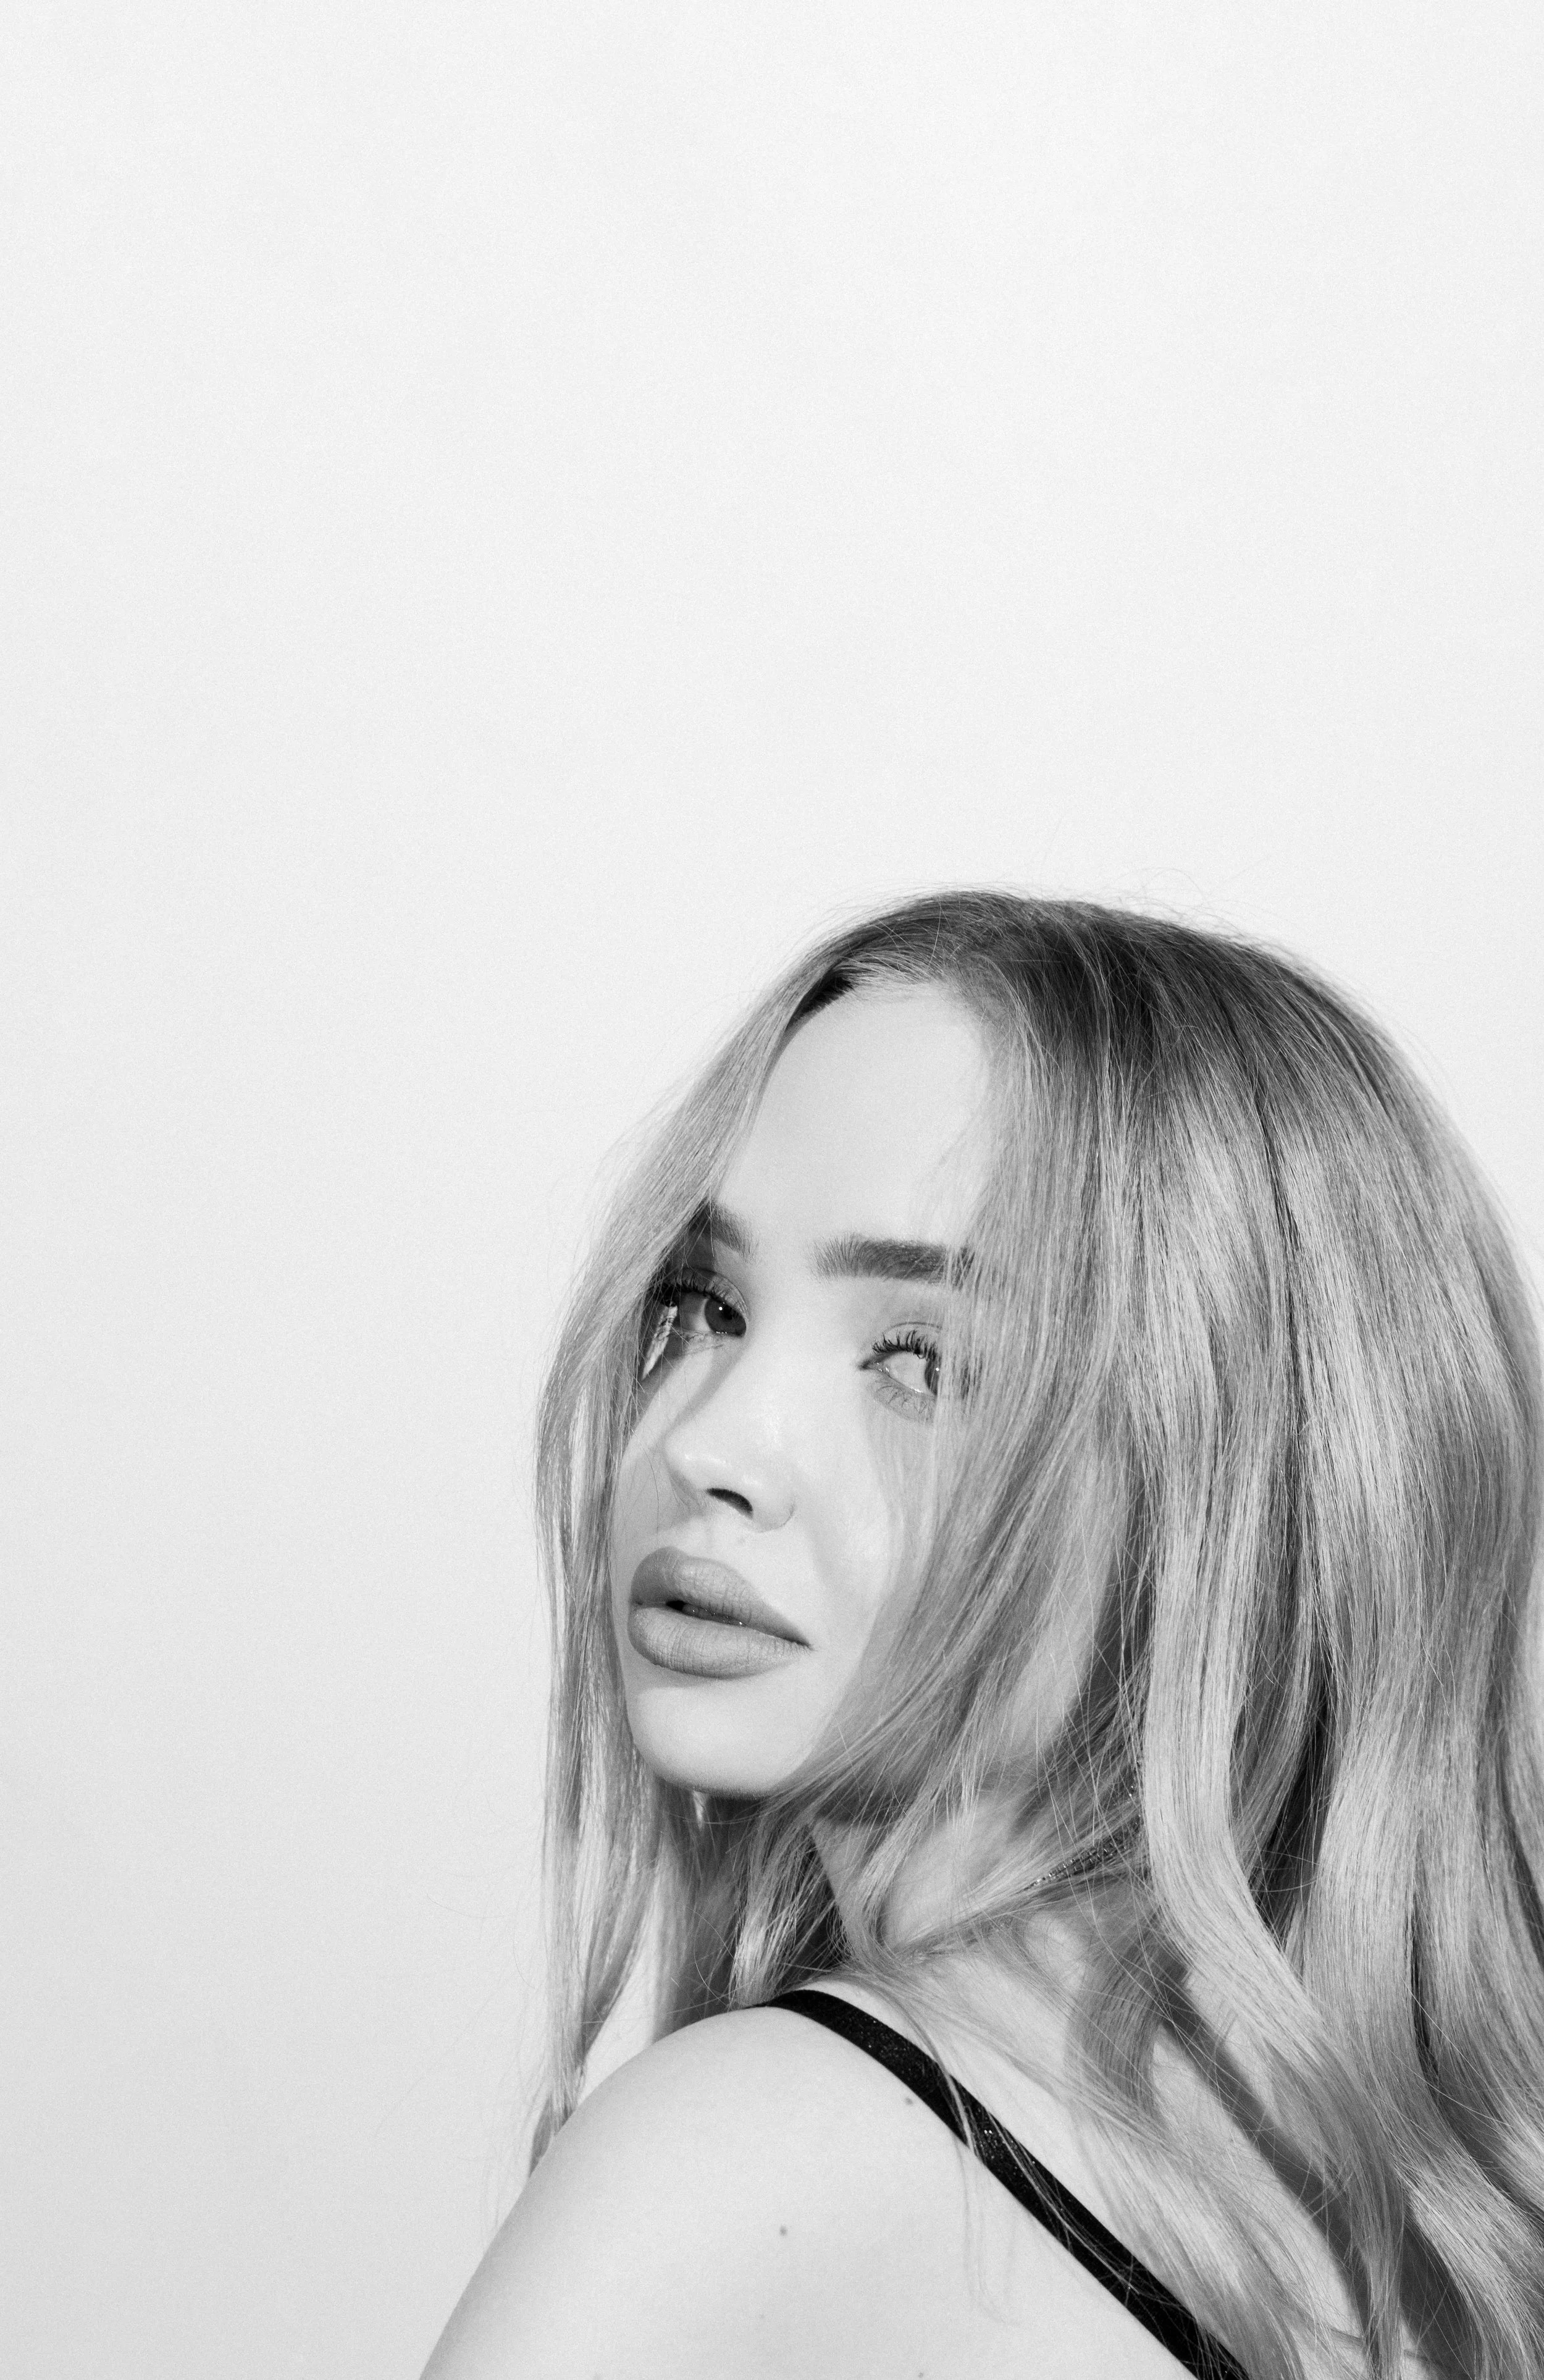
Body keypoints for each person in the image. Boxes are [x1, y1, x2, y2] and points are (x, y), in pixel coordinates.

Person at [423, 890, 1544, 2379]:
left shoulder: (742, 2161)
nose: (715, 1447)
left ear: (1231, 1492)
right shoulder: (1409, 2208)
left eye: (919, 1361)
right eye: (701, 1302)